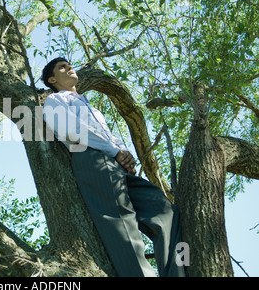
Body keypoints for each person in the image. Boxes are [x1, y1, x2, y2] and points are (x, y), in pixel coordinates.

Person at [42, 57, 186, 277]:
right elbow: (72, 131)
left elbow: (108, 136)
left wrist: (124, 154)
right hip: (92, 160)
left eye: (69, 64)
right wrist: (115, 152)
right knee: (123, 226)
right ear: (52, 79)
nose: (69, 67)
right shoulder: (55, 101)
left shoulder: (89, 105)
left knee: (165, 211)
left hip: (115, 162)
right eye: (62, 67)